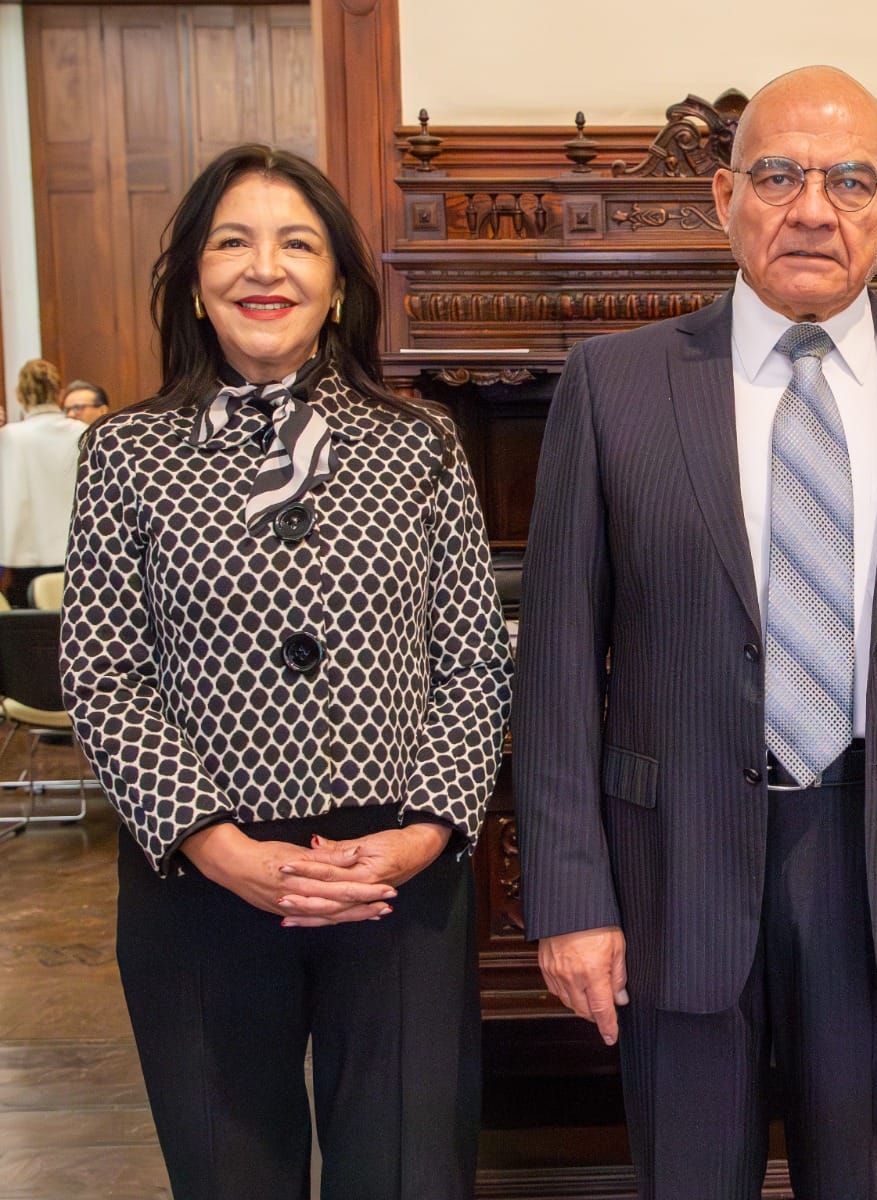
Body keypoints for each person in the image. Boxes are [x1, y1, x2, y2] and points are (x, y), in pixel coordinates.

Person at [515, 65, 877, 1200]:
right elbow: (558, 666)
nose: (815, 207)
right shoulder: (615, 387)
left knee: (862, 1176)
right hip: (672, 867)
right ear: (723, 198)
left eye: (852, 179)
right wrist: (570, 900)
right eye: (779, 175)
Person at [60, 144, 513, 1200]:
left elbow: (474, 667)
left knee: (407, 1173)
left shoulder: (422, 444)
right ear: (194, 281)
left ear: (340, 283)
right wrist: (219, 847)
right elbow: (103, 672)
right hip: (198, 879)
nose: (265, 268)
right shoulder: (125, 452)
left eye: (296, 243)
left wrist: (421, 835)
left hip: (395, 878)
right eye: (234, 242)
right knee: (230, 1176)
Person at [0, 357, 80, 606]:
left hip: (24, 556)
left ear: (20, 395)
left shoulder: (9, 438)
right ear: (60, 393)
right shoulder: (83, 432)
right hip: (77, 550)